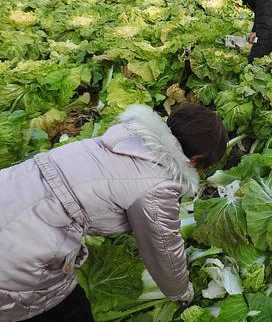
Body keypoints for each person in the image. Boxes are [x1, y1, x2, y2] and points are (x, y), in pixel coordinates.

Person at [0, 103, 228, 322]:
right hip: (17, 253)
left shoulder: (126, 138)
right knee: (68, 311)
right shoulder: (159, 184)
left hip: (9, 190)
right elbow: (164, 251)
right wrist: (181, 292)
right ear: (195, 160)